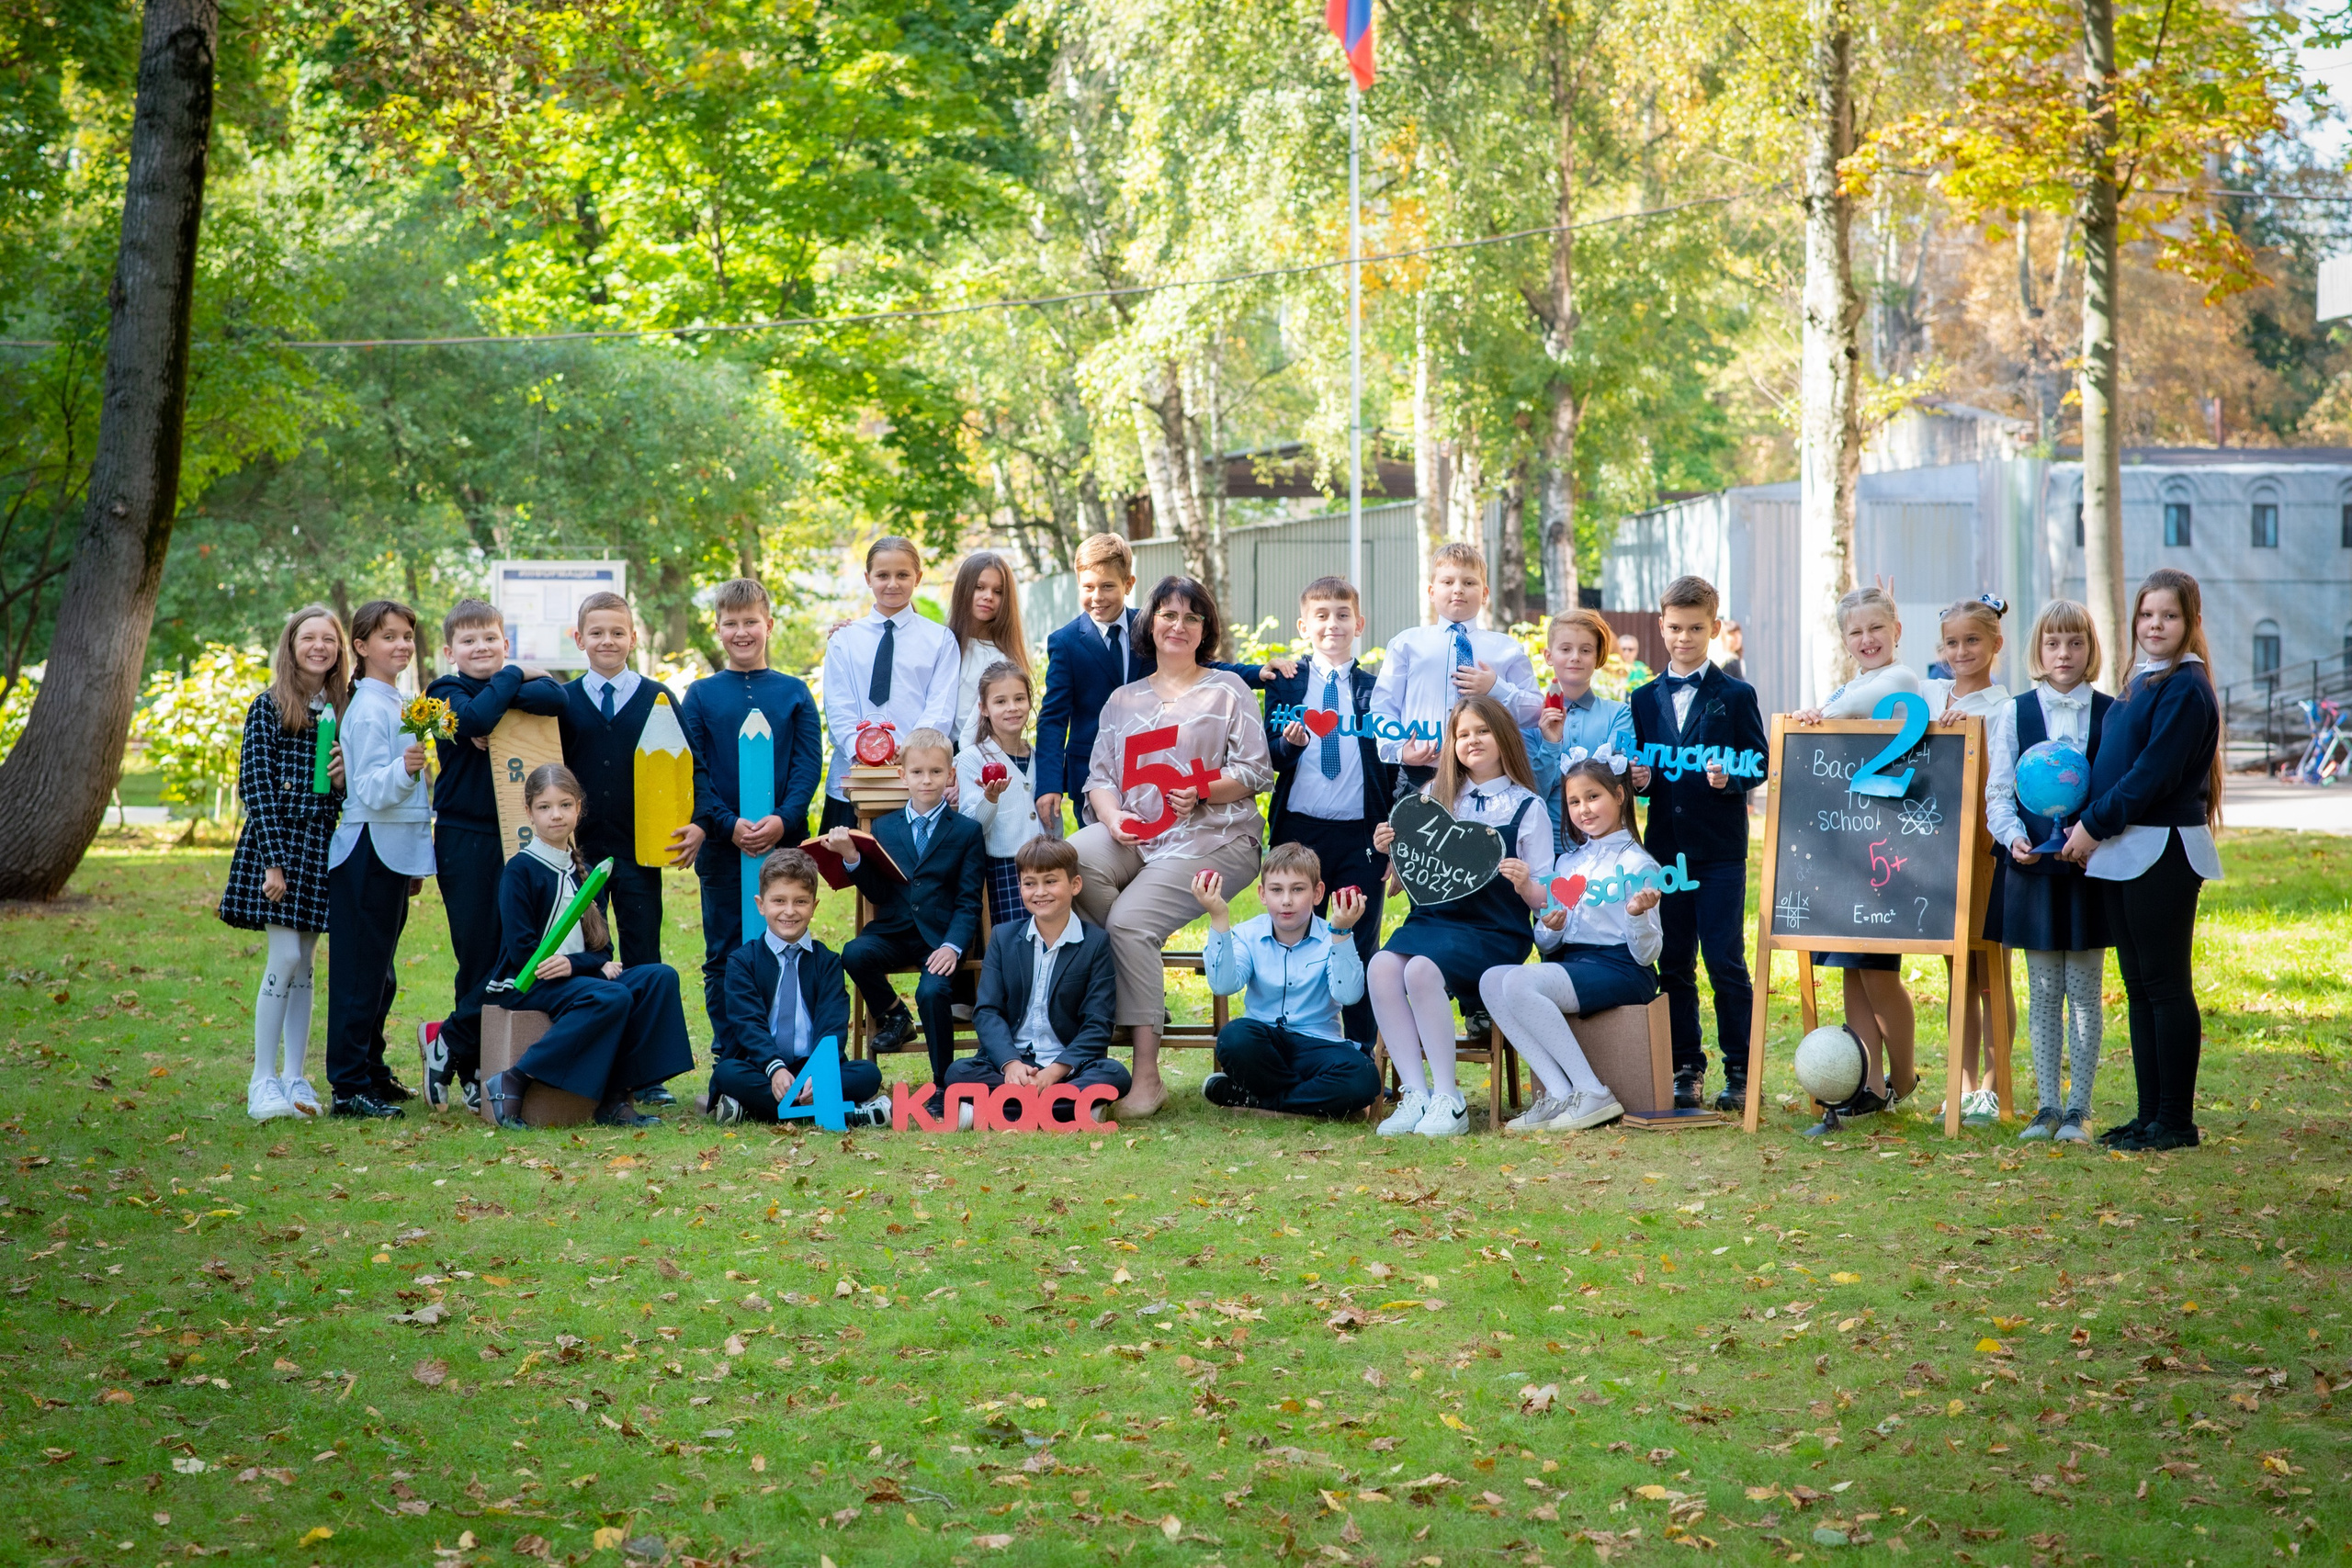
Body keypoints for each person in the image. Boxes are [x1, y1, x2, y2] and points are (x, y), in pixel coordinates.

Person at [1070, 575, 1275, 1118]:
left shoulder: (1227, 689)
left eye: (1191, 617)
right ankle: (1135, 975)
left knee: (1129, 924)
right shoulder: (1123, 699)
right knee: (1073, 861)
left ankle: (1147, 1079)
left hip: (1217, 838)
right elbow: (1098, 778)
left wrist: (1203, 789)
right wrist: (1113, 819)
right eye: (1167, 615)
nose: (1178, 626)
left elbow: (1257, 770)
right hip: (1140, 835)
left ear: (1205, 628)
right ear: (1150, 623)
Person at [2062, 568, 2223, 1154]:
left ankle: (2176, 1121)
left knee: (2165, 985)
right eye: (2147, 615)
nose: (2156, 625)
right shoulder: (2143, 680)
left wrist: (2092, 826)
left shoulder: (2186, 686)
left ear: (2192, 623)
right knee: (2139, 987)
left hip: (2162, 851)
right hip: (2122, 850)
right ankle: (2149, 1116)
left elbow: (2150, 777)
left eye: (2170, 616)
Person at [1368, 694, 1551, 1138]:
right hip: (1433, 921)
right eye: (1462, 733)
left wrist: (1525, 882)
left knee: (1423, 971)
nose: (1472, 740)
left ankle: (1450, 1100)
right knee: (1381, 966)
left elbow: (1545, 897)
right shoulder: (1432, 796)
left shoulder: (1529, 807)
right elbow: (1404, 876)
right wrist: (1387, 849)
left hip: (1494, 929)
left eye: (1482, 731)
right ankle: (1415, 1093)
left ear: (1504, 737)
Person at [480, 764, 693, 1128]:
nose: (556, 815)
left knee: (659, 978)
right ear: (529, 812)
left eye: (565, 805)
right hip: (527, 983)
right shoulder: (521, 870)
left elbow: (602, 950)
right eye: (544, 807)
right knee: (612, 996)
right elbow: (522, 953)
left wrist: (581, 965)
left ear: (579, 808)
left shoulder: (586, 870)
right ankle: (515, 1078)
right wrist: (582, 966)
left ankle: (615, 1096)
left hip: (574, 978)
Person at [420, 598, 568, 1111]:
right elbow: (474, 713)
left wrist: (506, 694)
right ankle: (465, 1059)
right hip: (465, 837)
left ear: (505, 642)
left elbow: (557, 698)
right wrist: (513, 680)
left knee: (514, 950)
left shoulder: (505, 684)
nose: (481, 648)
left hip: (518, 837)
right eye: (469, 641)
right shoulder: (443, 692)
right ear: (449, 651)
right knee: (477, 952)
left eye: (491, 640)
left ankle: (456, 1045)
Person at [1035, 532, 1283, 832]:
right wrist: (1048, 783)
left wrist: (1257, 674)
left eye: (1108, 586)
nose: (1097, 596)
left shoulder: (1151, 625)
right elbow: (1053, 718)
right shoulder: (1066, 642)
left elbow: (1201, 664)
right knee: (1100, 850)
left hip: (1148, 770)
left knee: (1147, 846)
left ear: (1128, 584)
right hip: (1095, 772)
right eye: (1088, 587)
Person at [1628, 575, 1767, 1111]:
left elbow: (1759, 762)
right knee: (1675, 960)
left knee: (1725, 958)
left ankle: (1741, 1067)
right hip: (1665, 850)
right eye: (1675, 628)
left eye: (1696, 629)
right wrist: (1640, 781)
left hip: (1720, 851)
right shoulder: (1642, 698)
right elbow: (1640, 768)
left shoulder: (1735, 695)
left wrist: (1728, 777)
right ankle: (1685, 1064)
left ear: (1713, 627)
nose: (1684, 638)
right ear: (1661, 626)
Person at [1792, 580, 1926, 1117]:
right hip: (1847, 837)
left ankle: (1905, 1071)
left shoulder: (1898, 679)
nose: (1867, 639)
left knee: (1877, 969)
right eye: (1856, 632)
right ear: (1844, 639)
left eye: (1877, 628)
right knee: (1851, 968)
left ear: (1896, 631)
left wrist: (1818, 714)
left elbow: (1854, 708)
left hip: (1887, 842)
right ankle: (1869, 1085)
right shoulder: (1857, 682)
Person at [1987, 600, 2112, 1145]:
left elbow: (2115, 791)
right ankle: (2045, 1106)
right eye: (2053, 643)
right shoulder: (2012, 713)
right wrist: (2013, 836)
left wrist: (2094, 839)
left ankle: (2080, 1110)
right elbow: (1998, 792)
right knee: (2042, 990)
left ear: (2091, 649)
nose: (2065, 654)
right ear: (2037, 650)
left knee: (2084, 989)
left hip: (2090, 869)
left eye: (2076, 643)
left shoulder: (2114, 712)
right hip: (2033, 868)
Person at [1482, 753, 1661, 1134]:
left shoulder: (1639, 865)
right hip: (1575, 964)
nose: (1584, 809)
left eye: (1593, 797)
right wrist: (1549, 925)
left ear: (1619, 795)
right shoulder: (1568, 864)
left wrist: (1636, 915)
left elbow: (1648, 954)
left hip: (1623, 969)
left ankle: (1591, 1090)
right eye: (1574, 802)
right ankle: (1560, 1092)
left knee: (1518, 981)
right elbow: (1547, 942)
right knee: (1491, 980)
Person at [219, 604, 347, 1121]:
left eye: (329, 640)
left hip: (318, 846)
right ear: (291, 646)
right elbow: (257, 788)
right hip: (277, 845)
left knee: (307, 965)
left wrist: (340, 782)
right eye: (308, 638)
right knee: (286, 957)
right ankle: (261, 1080)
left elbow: (336, 799)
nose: (320, 647)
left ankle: (297, 1077)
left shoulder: (338, 707)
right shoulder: (268, 706)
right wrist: (274, 863)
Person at [678, 579, 822, 1037]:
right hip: (723, 846)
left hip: (783, 845)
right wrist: (724, 823)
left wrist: (784, 818)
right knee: (722, 951)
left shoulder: (795, 692)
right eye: (731, 624)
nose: (742, 632)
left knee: (784, 939)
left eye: (751, 622)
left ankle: (787, 1039)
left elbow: (807, 766)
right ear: (718, 629)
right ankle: (729, 1050)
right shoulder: (700, 695)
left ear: (769, 625)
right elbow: (694, 769)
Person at [1262, 575, 1392, 1043]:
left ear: (1359, 624)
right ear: (1304, 626)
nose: (1332, 625)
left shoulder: (1378, 690)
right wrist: (1290, 744)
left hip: (1361, 837)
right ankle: (1297, 1038)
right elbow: (1269, 758)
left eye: (1342, 616)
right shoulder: (1285, 685)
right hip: (1299, 833)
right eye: (1321, 616)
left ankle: (1360, 1051)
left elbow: (1393, 768)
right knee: (1296, 937)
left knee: (1356, 939)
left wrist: (1393, 839)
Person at [823, 727, 988, 1095]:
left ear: (951, 774)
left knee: (932, 992)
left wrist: (954, 946)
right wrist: (852, 857)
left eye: (935, 772)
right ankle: (896, 1014)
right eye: (917, 772)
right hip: (894, 931)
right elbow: (880, 891)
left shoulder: (966, 832)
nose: (926, 780)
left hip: (940, 940)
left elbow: (968, 902)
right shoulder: (884, 827)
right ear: (903, 775)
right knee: (854, 953)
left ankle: (945, 1084)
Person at [324, 600, 433, 1119]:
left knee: (381, 974)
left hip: (392, 850)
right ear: (363, 647)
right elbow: (367, 788)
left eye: (407, 636)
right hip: (367, 849)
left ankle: (371, 1070)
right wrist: (408, 768)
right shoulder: (368, 708)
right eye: (389, 637)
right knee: (359, 974)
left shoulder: (399, 701)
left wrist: (413, 861)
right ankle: (348, 1087)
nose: (402, 645)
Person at [558, 591, 702, 969]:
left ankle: (643, 1026)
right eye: (597, 633)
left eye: (618, 633)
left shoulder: (658, 698)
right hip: (578, 852)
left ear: (634, 638)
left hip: (640, 852)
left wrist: (699, 823)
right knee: (586, 952)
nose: (608, 641)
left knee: (643, 953)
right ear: (579, 639)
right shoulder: (562, 701)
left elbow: (692, 766)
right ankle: (594, 1024)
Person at [1193, 843, 1378, 1119]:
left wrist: (1342, 932)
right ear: (1262, 894)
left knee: (1364, 1077)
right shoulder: (1247, 934)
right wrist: (1219, 917)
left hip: (1317, 1046)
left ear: (1317, 893)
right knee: (1235, 1038)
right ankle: (1309, 1103)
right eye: (1277, 890)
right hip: (1264, 1048)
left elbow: (1349, 996)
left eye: (1298, 889)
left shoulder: (1333, 937)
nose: (1286, 900)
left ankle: (1259, 1102)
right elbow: (1223, 985)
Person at [952, 836, 1126, 1123]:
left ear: (1075, 885)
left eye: (1051, 881)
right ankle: (1069, 1108)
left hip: (1067, 1068)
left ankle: (998, 1107)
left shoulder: (1095, 943)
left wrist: (1056, 1071)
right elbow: (988, 1012)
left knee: (1115, 1075)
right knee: (958, 1072)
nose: (1040, 892)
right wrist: (1010, 1065)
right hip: (1012, 1065)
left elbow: (1098, 1023)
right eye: (1030, 883)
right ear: (1019, 886)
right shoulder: (1004, 937)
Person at [707, 848, 888, 1125]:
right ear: (761, 904)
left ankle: (755, 1109)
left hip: (812, 1067)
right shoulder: (743, 961)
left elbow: (832, 1023)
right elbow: (748, 1024)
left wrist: (818, 1072)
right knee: (727, 1073)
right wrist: (775, 1068)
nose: (789, 911)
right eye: (779, 901)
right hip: (763, 1066)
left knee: (868, 1074)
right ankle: (845, 1113)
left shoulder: (827, 962)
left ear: (814, 906)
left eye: (800, 902)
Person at [1926, 593, 2013, 1124]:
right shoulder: (1929, 693)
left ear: (1995, 644)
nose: (1961, 651)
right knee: (1956, 973)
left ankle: (1993, 1085)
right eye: (1952, 643)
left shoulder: (2005, 710)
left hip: (1984, 855)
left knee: (1991, 974)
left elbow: (2000, 783)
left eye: (1973, 641)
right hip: (1933, 855)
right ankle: (1959, 1088)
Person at [1367, 542, 1542, 791]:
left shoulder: (1506, 649)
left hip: (1489, 776)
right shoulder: (1407, 643)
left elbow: (1536, 713)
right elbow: (1382, 707)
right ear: (1431, 591)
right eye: (1447, 582)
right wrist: (1399, 751)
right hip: (1421, 773)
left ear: (1484, 594)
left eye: (1469, 583)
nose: (1458, 590)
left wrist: (1496, 688)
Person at [820, 536, 962, 830]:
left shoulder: (939, 640)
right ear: (868, 578)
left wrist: (911, 751)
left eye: (903, 575)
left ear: (918, 578)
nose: (892, 583)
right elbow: (838, 706)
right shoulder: (845, 640)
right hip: (855, 775)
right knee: (857, 863)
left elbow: (941, 705)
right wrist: (862, 751)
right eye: (883, 575)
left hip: (916, 776)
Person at [1524, 607, 1637, 852]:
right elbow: (1533, 793)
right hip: (1547, 849)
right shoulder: (1528, 719)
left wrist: (1559, 780)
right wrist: (1551, 744)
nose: (1575, 657)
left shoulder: (1618, 714)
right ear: (1548, 655)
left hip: (1606, 848)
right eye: (1565, 649)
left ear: (1598, 658)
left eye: (1585, 650)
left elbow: (1617, 785)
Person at [957, 659, 1048, 928]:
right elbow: (971, 825)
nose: (1012, 708)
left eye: (1019, 698)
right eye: (1000, 702)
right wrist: (990, 799)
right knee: (1016, 939)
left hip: (1046, 862)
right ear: (983, 708)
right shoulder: (973, 758)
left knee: (1048, 936)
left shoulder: (1039, 756)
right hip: (1004, 869)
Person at [946, 550, 1032, 749]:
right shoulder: (944, 645)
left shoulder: (1005, 658)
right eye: (979, 587)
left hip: (982, 760)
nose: (988, 597)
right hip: (933, 760)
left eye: (998, 591)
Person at [1718, 619, 1747, 684]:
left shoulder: (1738, 659)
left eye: (1739, 633)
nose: (1737, 637)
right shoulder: (1726, 661)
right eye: (1732, 634)